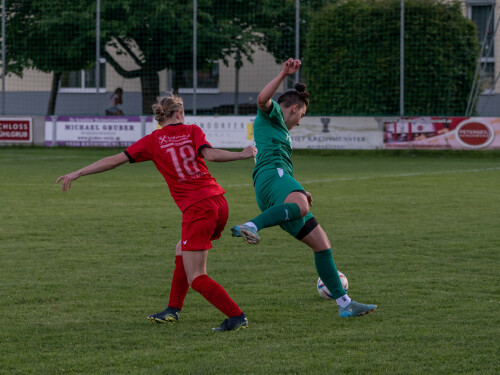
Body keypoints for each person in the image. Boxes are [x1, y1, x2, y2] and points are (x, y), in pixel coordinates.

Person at [57, 94, 257, 332]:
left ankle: (236, 316)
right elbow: (211, 155)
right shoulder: (192, 130)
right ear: (179, 113)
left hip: (198, 208)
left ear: (159, 117)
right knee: (181, 250)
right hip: (217, 201)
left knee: (197, 277)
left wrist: (78, 173)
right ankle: (172, 310)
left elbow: (114, 161)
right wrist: (242, 154)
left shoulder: (153, 140)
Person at [231, 58, 377, 318]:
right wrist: (283, 73)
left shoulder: (281, 132)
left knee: (322, 244)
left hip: (275, 184)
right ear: (294, 108)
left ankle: (345, 304)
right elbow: (262, 99)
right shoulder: (273, 115)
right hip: (271, 177)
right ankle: (252, 226)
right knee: (301, 206)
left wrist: (299, 188)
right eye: (302, 115)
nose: (299, 121)